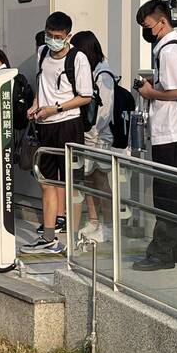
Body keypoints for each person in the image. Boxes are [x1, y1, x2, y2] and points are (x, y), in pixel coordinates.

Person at [133, 0, 177, 271]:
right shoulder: (173, 46)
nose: (147, 31)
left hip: (174, 132)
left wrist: (151, 93)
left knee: (168, 193)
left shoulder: (170, 51)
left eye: (148, 26)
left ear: (162, 22)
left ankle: (162, 253)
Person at [22, 12, 93, 254]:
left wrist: (56, 108)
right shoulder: (42, 52)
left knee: (71, 183)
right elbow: (42, 85)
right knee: (46, 181)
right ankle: (49, 237)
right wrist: (35, 104)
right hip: (44, 125)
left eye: (57, 37)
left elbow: (85, 96)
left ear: (68, 36)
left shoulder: (78, 58)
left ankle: (72, 238)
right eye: (49, 35)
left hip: (68, 124)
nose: (52, 40)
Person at [71, 31, 115, 243]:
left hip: (99, 137)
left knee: (100, 179)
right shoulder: (89, 71)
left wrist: (91, 133)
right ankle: (94, 220)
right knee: (88, 179)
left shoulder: (103, 75)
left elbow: (104, 112)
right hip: (87, 135)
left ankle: (109, 225)